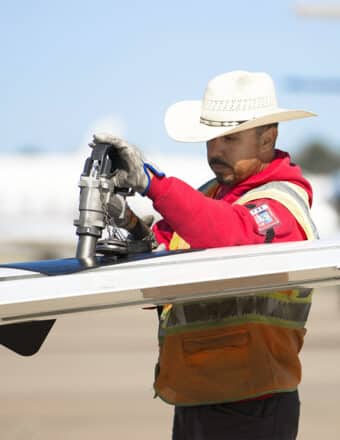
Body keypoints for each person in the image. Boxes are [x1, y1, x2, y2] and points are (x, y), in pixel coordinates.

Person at [91, 70, 318, 440]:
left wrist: (152, 183)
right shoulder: (210, 195)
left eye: (230, 137)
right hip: (197, 393)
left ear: (267, 139)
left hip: (253, 400)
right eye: (211, 137)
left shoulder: (281, 203)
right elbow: (159, 269)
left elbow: (230, 233)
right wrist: (130, 226)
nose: (216, 149)